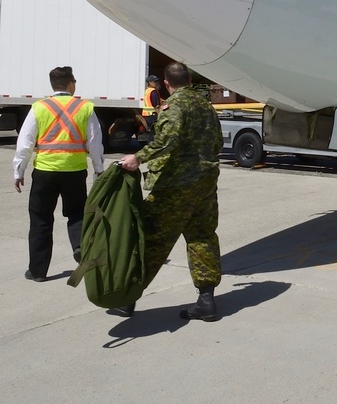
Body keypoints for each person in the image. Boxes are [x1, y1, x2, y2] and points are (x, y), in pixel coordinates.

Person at [119, 62, 224, 321]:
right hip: (205, 183)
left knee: (152, 239)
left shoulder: (173, 105)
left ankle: (127, 298)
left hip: (176, 185)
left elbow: (168, 139)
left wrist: (138, 157)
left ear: (167, 84)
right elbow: (219, 142)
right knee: (202, 236)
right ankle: (206, 300)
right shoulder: (206, 106)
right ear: (189, 79)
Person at [13, 66, 105, 282]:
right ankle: (79, 246)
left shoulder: (39, 107)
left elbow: (25, 143)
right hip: (74, 171)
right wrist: (99, 170)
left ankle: (37, 271)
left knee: (40, 219)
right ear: (71, 83)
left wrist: (19, 171)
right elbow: (95, 143)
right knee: (76, 213)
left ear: (53, 85)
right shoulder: (85, 107)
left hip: (45, 171)